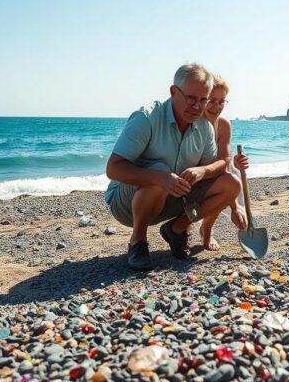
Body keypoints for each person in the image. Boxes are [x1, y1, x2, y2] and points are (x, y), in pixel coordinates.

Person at [104, 63, 242, 271]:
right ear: (173, 91)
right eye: (191, 98)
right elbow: (113, 169)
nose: (197, 107)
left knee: (231, 183)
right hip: (128, 205)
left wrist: (203, 171)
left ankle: (176, 229)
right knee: (160, 170)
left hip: (174, 197)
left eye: (203, 100)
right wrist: (159, 178)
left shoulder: (204, 127)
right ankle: (137, 242)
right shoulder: (147, 118)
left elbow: (220, 166)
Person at [197, 75, 250, 251]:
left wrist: (235, 207)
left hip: (216, 175)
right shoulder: (192, 122)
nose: (217, 106)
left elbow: (223, 164)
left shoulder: (223, 125)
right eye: (212, 100)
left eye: (222, 102)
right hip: (191, 174)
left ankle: (207, 228)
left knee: (228, 182)